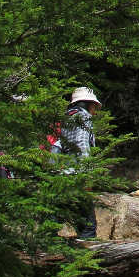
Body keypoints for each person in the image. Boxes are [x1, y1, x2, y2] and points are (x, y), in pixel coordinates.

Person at [53, 86, 102, 240]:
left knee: (56, 220)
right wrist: (86, 175)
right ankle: (87, 258)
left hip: (62, 176)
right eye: (94, 105)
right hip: (77, 176)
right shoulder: (84, 117)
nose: (95, 109)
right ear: (87, 104)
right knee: (88, 226)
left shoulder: (66, 118)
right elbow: (82, 146)